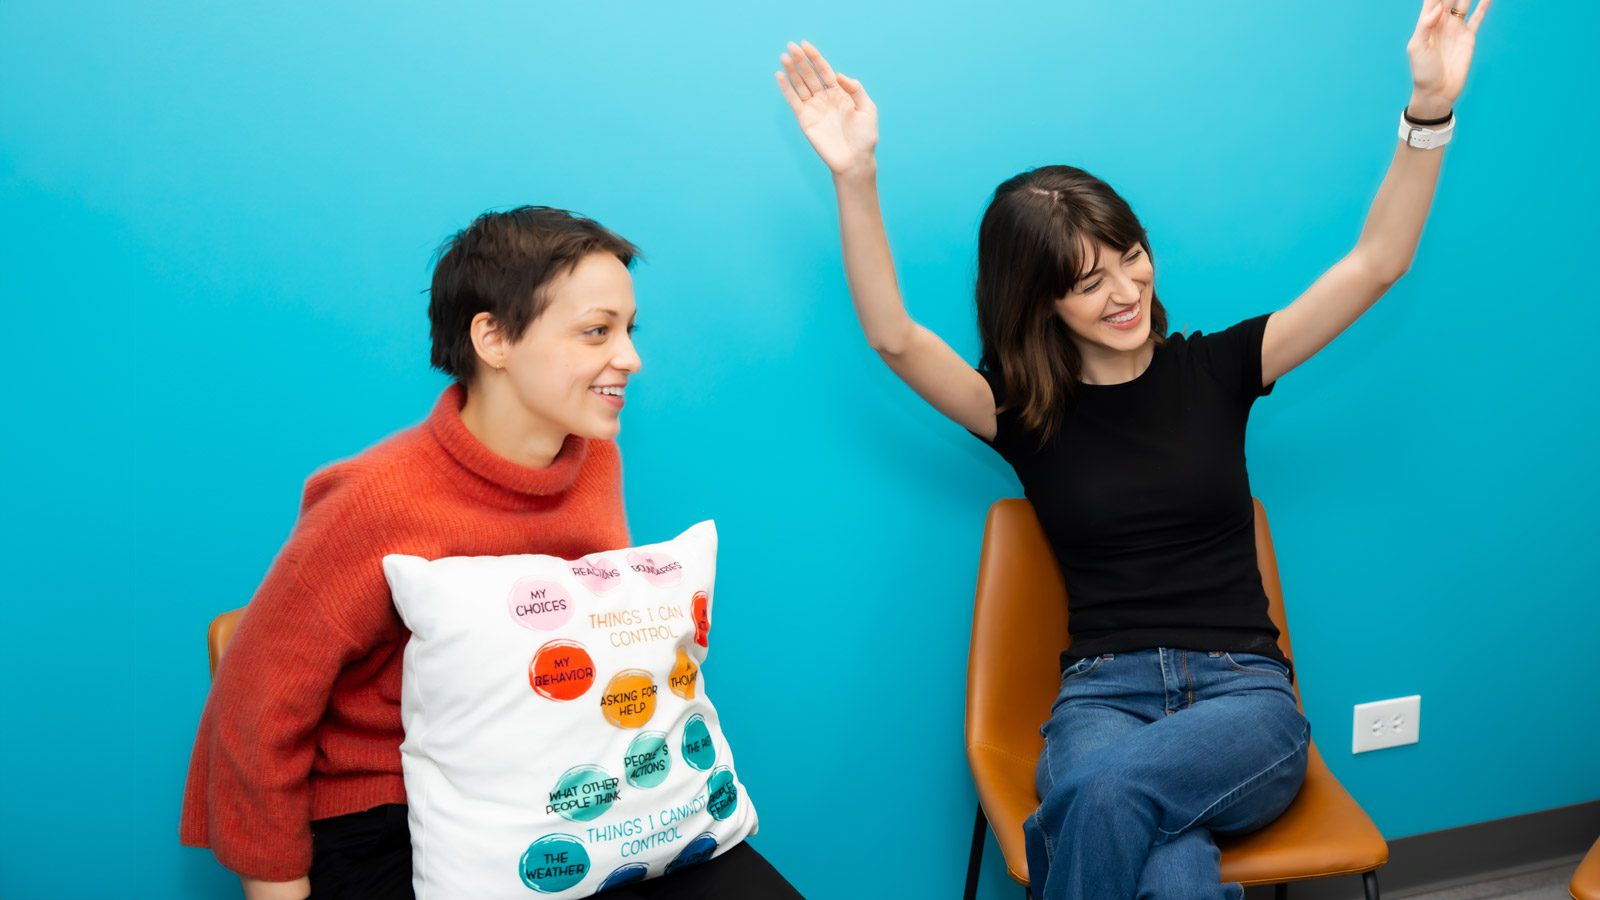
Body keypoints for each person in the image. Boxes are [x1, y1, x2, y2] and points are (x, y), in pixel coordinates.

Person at [775, 1, 1488, 896]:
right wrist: (855, 174)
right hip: (1101, 701)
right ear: (1042, 304)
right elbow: (892, 336)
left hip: (1245, 702)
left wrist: (1427, 111)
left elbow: (1377, 263)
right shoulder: (1024, 413)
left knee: (1099, 797)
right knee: (1170, 873)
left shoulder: (1224, 368)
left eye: (1131, 256)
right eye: (1087, 281)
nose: (1124, 290)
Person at [180, 206, 802, 900]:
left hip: (559, 790)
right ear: (494, 337)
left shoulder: (596, 460)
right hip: (392, 819)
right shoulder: (371, 502)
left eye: (628, 330)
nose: (630, 358)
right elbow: (253, 709)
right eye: (597, 331)